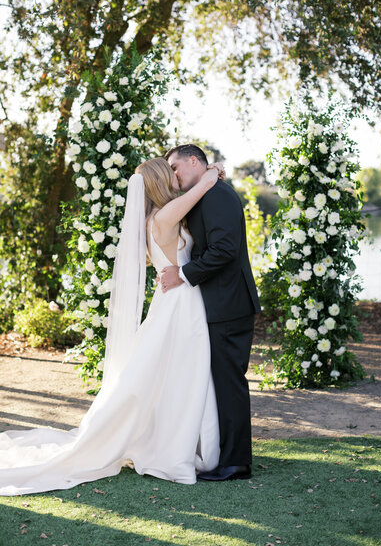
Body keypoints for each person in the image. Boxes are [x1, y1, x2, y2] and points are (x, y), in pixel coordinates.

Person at [0, 157, 222, 496]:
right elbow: (203, 188)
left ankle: (177, 442)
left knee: (175, 375)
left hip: (177, 301)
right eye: (172, 171)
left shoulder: (155, 217)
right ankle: (173, 452)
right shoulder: (163, 216)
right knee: (183, 374)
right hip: (180, 304)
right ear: (162, 180)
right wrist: (211, 175)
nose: (177, 175)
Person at [162, 144, 261, 482]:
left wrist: (184, 275)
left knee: (230, 382)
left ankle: (236, 463)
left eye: (175, 167)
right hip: (218, 303)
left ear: (194, 161)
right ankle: (226, 455)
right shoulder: (206, 193)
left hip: (229, 304)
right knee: (221, 382)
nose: (174, 176)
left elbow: (224, 250)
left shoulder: (218, 195)